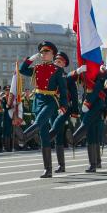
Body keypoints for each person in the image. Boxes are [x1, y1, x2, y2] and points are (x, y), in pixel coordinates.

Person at [16, 41, 67, 178]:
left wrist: (63, 106)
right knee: (44, 136)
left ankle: (24, 136)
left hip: (51, 101)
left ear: (53, 54)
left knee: (39, 121)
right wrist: (30, 59)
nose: (43, 54)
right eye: (42, 52)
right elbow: (22, 70)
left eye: (47, 52)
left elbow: (63, 89)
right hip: (38, 101)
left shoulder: (58, 70)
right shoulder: (37, 68)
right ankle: (48, 169)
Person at [48, 52, 79, 173]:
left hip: (65, 108)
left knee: (55, 128)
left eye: (59, 62)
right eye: (55, 61)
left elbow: (75, 96)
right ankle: (61, 165)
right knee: (58, 136)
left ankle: (45, 138)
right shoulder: (49, 76)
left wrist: (75, 112)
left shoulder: (67, 77)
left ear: (64, 64)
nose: (56, 63)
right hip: (52, 108)